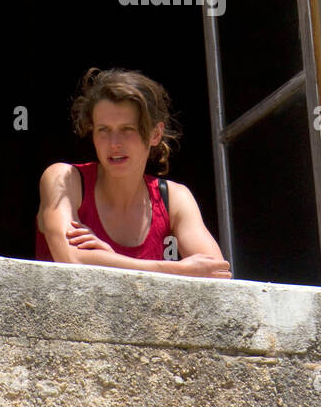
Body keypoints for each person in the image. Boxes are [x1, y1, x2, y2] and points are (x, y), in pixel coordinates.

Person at [35, 67, 232, 280]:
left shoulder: (173, 198)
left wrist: (111, 260)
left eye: (127, 129)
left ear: (155, 134)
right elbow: (70, 259)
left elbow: (218, 275)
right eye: (103, 130)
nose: (114, 143)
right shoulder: (64, 178)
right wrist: (179, 269)